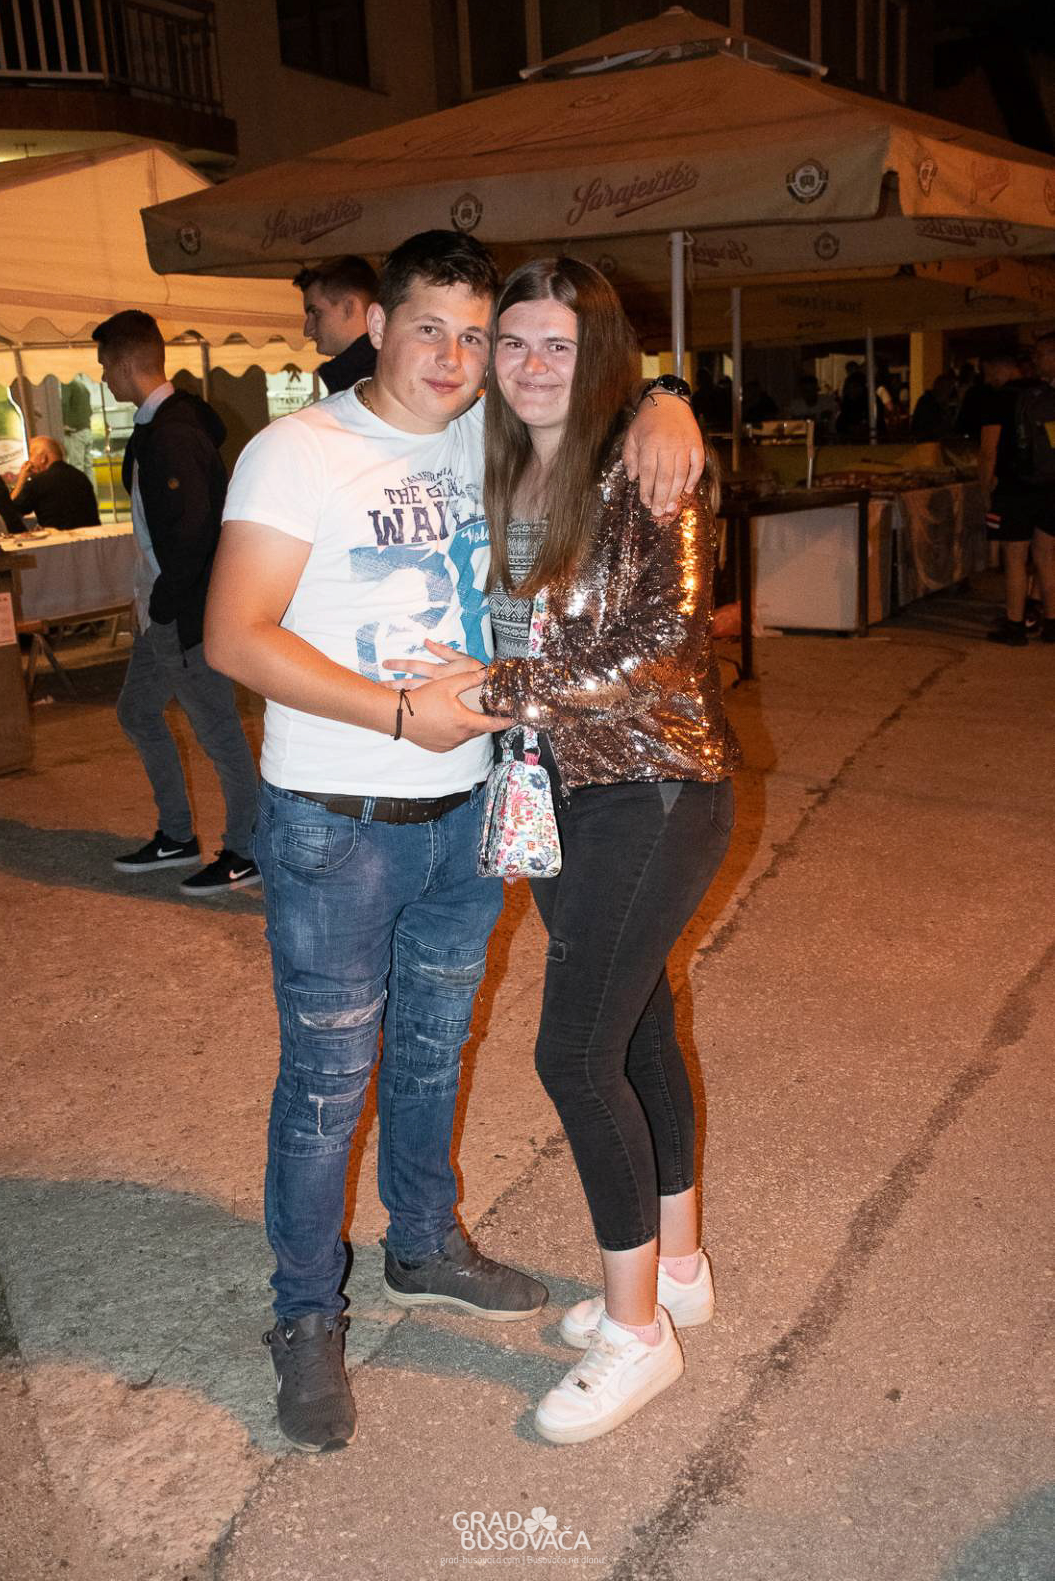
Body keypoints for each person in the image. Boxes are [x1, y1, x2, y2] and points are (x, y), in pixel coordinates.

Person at [203, 229, 706, 1454]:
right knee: (328, 1082)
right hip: (338, 818)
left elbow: (585, 384)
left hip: (473, 813)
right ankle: (305, 1312)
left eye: (475, 336)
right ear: (374, 324)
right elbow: (233, 636)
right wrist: (396, 713)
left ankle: (422, 1244)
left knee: (436, 1051)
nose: (458, 355)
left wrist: (668, 395)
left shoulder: (482, 432)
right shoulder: (296, 450)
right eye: (430, 326)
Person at [385, 258, 740, 1445]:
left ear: (600, 359)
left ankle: (638, 1335)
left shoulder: (642, 464)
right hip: (552, 796)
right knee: (636, 1030)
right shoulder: (494, 462)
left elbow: (663, 646)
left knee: (575, 1054)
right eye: (515, 342)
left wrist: (499, 688)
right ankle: (675, 1270)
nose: (533, 366)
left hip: (652, 785)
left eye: (560, 345)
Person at [92, 310, 261, 894]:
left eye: (104, 368)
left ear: (124, 363)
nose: (103, 380)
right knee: (137, 711)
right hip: (159, 610)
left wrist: (166, 606)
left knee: (219, 732)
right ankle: (177, 835)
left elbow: (195, 535)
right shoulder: (158, 428)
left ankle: (247, 849)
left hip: (182, 613)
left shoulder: (174, 434)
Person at [978, 342, 1055, 645]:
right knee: (1047, 557)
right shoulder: (1047, 393)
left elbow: (988, 451)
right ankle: (1052, 624)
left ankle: (1015, 625)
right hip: (1050, 486)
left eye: (987, 372)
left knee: (1015, 558)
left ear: (999, 367)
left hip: (1014, 489)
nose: (987, 379)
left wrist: (985, 490)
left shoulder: (998, 399)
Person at [293, 255, 379, 395]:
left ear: (349, 307)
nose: (307, 330)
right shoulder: (376, 374)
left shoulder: (374, 384)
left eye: (316, 312)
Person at [10, 437, 99, 529]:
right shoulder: (81, 476)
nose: (30, 461)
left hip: (59, 537)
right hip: (92, 535)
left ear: (43, 458)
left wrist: (21, 480)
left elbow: (11, 513)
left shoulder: (38, 482)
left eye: (31, 454)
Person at [61, 378, 95, 478]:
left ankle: (79, 488)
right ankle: (91, 488)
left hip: (75, 431)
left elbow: (64, 404)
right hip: (87, 430)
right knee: (88, 466)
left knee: (76, 466)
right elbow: (89, 410)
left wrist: (65, 423)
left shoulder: (67, 383)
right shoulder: (83, 386)